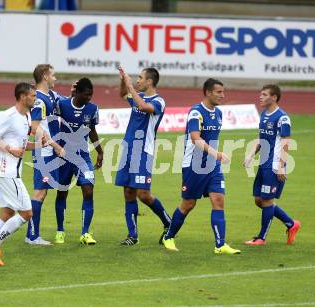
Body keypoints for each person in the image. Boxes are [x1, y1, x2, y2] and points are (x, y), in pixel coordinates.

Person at [162, 78, 240, 255]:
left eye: (223, 91)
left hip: (212, 166)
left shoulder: (219, 113)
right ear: (208, 92)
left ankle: (220, 245)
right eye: (219, 92)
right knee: (188, 204)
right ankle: (169, 236)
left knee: (218, 200)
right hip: (194, 166)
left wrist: (214, 158)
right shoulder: (196, 112)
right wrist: (217, 154)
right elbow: (195, 138)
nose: (223, 95)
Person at [0, 82, 43, 266]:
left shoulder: (27, 116)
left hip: (10, 172)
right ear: (23, 96)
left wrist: (38, 145)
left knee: (6, 212)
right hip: (7, 172)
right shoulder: (9, 116)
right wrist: (9, 149)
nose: (35, 99)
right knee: (27, 213)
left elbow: (20, 144)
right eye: (33, 96)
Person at [115, 67, 171, 246]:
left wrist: (132, 87)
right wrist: (124, 79)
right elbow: (123, 94)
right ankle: (132, 235)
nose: (138, 80)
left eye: (140, 78)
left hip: (143, 152)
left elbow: (143, 106)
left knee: (144, 194)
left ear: (149, 82)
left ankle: (169, 223)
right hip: (128, 149)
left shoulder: (158, 101)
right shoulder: (138, 95)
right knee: (128, 192)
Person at [243, 84, 301, 245]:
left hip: (275, 164)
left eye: (264, 94)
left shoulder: (283, 118)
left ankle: (261, 238)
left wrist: (281, 166)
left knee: (267, 201)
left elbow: (285, 142)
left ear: (274, 97)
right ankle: (291, 224)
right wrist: (250, 155)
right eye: (260, 94)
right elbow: (261, 138)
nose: (260, 97)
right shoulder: (263, 115)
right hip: (263, 163)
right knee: (259, 200)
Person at [55, 77, 103, 245]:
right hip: (64, 156)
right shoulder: (62, 105)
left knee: (88, 190)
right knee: (62, 192)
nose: (89, 98)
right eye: (87, 95)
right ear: (78, 92)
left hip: (83, 156)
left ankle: (85, 233)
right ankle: (60, 230)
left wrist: (100, 151)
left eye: (91, 95)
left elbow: (92, 130)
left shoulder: (92, 109)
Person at [25, 64, 66, 246]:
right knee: (39, 192)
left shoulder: (50, 96)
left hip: (50, 152)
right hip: (44, 153)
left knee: (43, 193)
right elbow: (34, 127)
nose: (55, 79)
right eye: (53, 75)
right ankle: (32, 235)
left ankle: (33, 234)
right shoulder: (39, 100)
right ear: (45, 76)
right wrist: (55, 145)